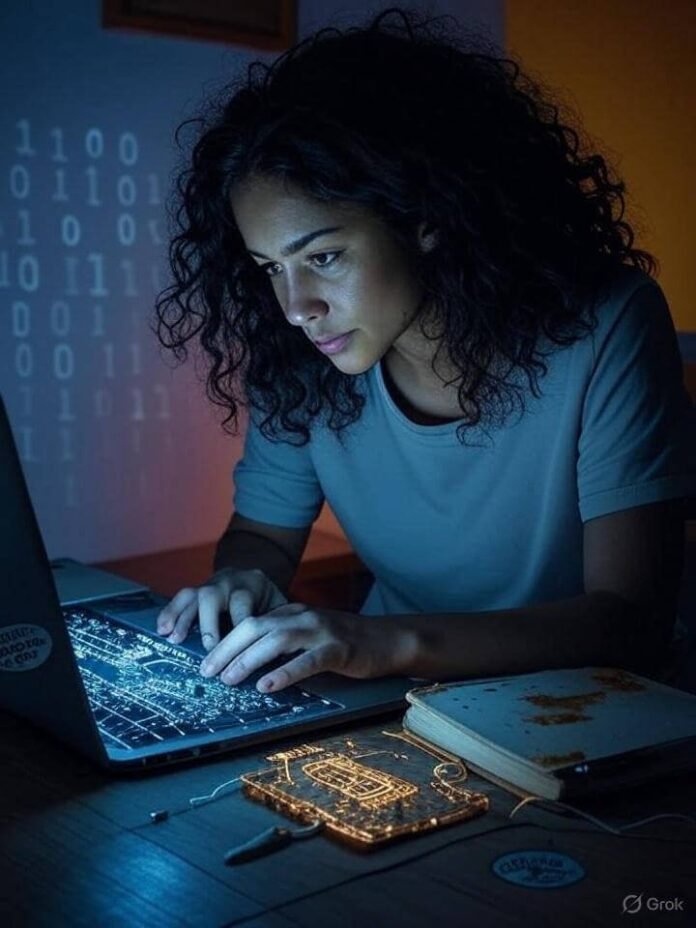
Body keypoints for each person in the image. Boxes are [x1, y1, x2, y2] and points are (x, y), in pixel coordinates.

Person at [154, 8, 696, 694]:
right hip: (390, 698)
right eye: (270, 268)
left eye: (322, 255)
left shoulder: (609, 324)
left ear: (429, 218)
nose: (295, 307)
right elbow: (262, 539)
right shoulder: (301, 356)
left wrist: (378, 642)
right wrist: (239, 582)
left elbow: (629, 622)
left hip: (580, 710)